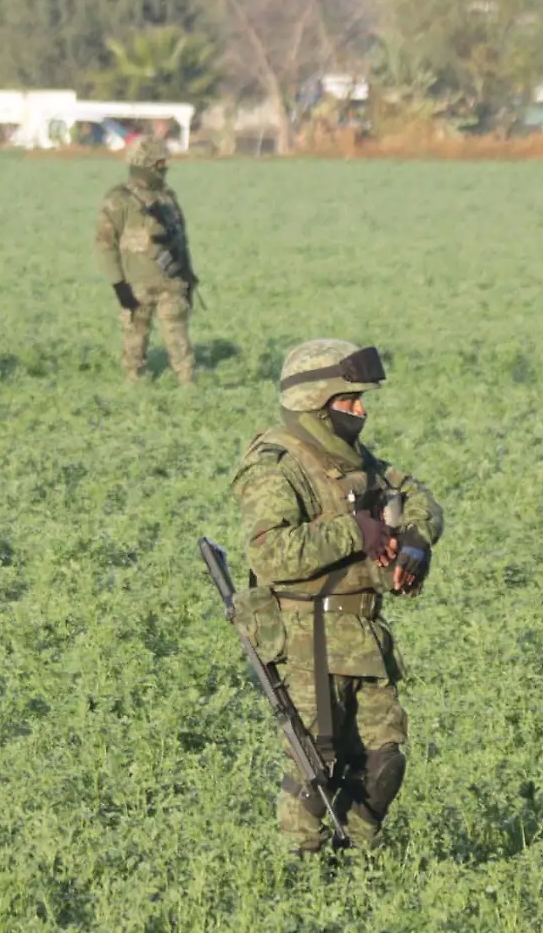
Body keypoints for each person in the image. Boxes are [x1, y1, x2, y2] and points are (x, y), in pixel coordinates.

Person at [232, 339, 444, 852]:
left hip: (365, 636)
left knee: (385, 759)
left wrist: (416, 540)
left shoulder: (355, 458)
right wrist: (356, 531)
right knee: (314, 765)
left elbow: (416, 494)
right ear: (315, 403)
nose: (362, 412)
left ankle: (358, 861)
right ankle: (301, 874)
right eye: (349, 402)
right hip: (310, 641)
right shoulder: (275, 464)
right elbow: (270, 553)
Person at [96, 138, 197, 385]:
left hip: (171, 282)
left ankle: (187, 382)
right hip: (135, 284)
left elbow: (181, 241)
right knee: (135, 339)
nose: (163, 169)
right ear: (143, 164)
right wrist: (118, 284)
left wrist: (188, 277)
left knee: (178, 336)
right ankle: (134, 381)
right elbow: (104, 244)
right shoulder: (118, 200)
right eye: (158, 164)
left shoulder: (167, 198)